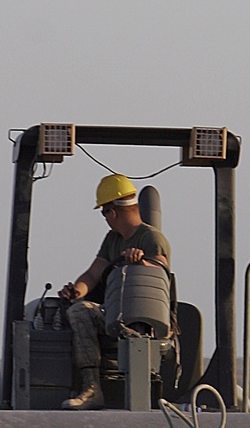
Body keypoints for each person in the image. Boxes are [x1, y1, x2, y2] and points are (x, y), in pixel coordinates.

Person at [58, 174, 171, 410]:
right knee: (78, 309)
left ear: (112, 212)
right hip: (114, 313)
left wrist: (140, 264)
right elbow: (92, 275)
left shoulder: (151, 238)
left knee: (81, 314)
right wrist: (76, 291)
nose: (105, 219)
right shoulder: (113, 240)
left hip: (145, 318)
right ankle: (91, 388)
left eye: (104, 213)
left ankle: (92, 387)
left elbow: (161, 271)